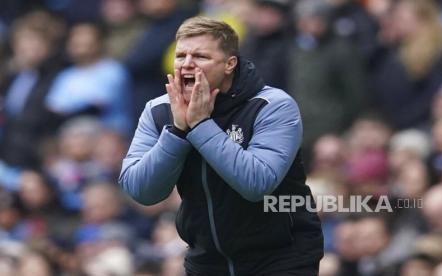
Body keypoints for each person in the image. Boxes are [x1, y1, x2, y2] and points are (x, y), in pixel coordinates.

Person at [119, 16, 323, 275]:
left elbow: (257, 183)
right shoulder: (159, 111)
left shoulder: (272, 106)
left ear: (230, 64)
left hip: (281, 257)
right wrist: (178, 131)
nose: (187, 64)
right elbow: (140, 190)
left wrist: (201, 125)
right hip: (206, 260)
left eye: (201, 56)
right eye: (181, 56)